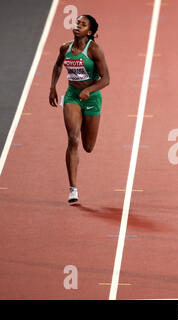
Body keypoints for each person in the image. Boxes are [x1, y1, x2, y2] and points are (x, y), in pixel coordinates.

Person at [49, 15, 110, 203]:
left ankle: (84, 121)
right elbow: (58, 64)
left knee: (88, 146)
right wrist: (53, 87)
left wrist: (89, 90)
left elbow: (106, 79)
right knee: (73, 138)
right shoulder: (64, 48)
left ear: (89, 32)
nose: (77, 26)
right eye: (77, 23)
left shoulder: (94, 51)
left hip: (91, 99)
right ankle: (73, 189)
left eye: (82, 25)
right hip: (72, 97)